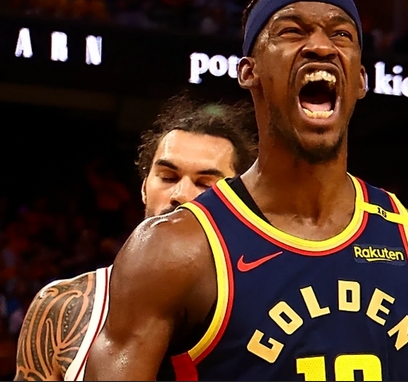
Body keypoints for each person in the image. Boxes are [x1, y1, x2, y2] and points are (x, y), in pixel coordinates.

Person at [85, 0, 408, 381]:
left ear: (360, 80)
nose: (321, 46)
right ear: (248, 72)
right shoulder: (175, 250)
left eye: (341, 35)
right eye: (292, 31)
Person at [13, 94, 257, 381]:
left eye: (204, 183)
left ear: (239, 201)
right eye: (168, 177)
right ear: (144, 188)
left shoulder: (271, 308)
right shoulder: (63, 306)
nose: (180, 194)